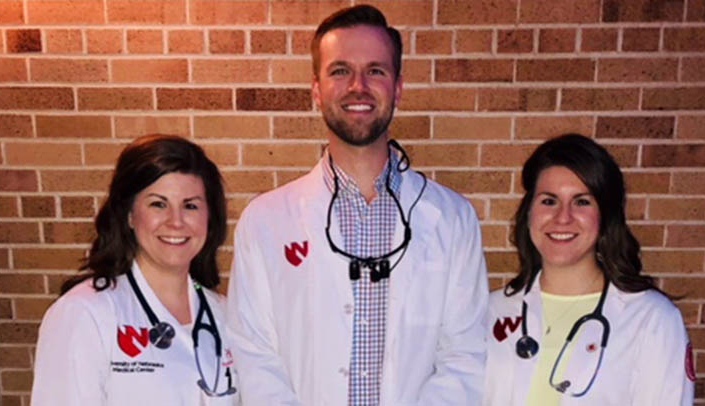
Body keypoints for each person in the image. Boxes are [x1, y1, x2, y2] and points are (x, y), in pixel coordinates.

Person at [226, 4, 488, 405]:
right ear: (317, 89)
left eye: (376, 71)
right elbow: (254, 356)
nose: (358, 86)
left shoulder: (453, 218)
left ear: (398, 87)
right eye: (340, 70)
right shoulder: (265, 220)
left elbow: (465, 355)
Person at [484, 133, 695, 405]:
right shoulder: (491, 311)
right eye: (549, 201)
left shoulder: (651, 320)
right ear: (529, 214)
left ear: (605, 217)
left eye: (582, 201)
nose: (563, 217)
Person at [31, 134, 239, 405]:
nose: (176, 222)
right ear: (129, 215)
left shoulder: (225, 315)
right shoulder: (85, 313)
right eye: (158, 204)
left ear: (210, 218)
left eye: (190, 206)